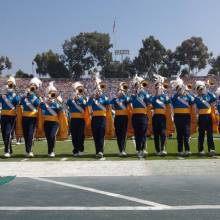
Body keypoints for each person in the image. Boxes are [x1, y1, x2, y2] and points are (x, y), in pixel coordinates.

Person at [171, 78, 194, 157]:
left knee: (186, 133)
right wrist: (177, 93)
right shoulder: (175, 97)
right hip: (178, 117)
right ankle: (180, 150)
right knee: (179, 134)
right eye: (178, 88)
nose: (180, 90)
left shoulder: (187, 96)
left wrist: (186, 92)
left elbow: (193, 100)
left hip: (186, 117)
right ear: (176, 89)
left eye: (181, 88)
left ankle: (187, 150)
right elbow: (172, 100)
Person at [87, 77, 109, 158]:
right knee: (95, 135)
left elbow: (108, 103)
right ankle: (97, 151)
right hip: (94, 118)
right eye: (97, 90)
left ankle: (100, 151)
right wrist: (92, 97)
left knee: (101, 135)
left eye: (99, 90)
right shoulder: (92, 99)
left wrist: (101, 96)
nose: (98, 92)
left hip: (102, 118)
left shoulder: (104, 97)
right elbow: (88, 104)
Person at [130, 75, 151, 158]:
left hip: (143, 116)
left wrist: (142, 92)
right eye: (136, 85)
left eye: (139, 85)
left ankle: (143, 149)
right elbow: (129, 101)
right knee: (137, 133)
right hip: (135, 116)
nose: (138, 86)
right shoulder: (132, 95)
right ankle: (138, 150)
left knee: (143, 133)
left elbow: (149, 101)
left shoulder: (144, 93)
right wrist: (136, 94)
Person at [40, 82, 63, 157]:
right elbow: (41, 107)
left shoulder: (56, 102)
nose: (51, 95)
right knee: (48, 137)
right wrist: (45, 101)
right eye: (50, 93)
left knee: (52, 136)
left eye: (53, 93)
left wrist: (55, 101)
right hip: (46, 122)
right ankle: (49, 151)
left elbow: (60, 109)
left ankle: (52, 150)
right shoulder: (46, 102)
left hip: (55, 122)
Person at [21, 77, 42, 157]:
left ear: (36, 88)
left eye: (34, 86)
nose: (32, 87)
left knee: (30, 134)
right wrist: (25, 95)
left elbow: (38, 104)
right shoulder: (25, 95)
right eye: (31, 86)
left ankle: (29, 150)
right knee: (26, 135)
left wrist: (32, 95)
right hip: (25, 117)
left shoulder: (36, 96)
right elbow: (20, 102)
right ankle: (27, 150)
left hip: (32, 117)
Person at [194, 81, 216, 156]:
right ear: (197, 90)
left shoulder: (208, 96)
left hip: (209, 117)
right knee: (201, 135)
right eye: (199, 89)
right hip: (201, 117)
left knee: (210, 134)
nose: (201, 90)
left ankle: (211, 149)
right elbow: (197, 105)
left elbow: (214, 98)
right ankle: (201, 150)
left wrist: (207, 90)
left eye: (202, 89)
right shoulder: (196, 98)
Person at [0, 76, 20, 157]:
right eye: (9, 84)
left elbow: (18, 102)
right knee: (4, 134)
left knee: (8, 133)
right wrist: (2, 91)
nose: (10, 85)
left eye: (11, 84)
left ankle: (6, 150)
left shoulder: (15, 95)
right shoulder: (3, 95)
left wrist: (14, 92)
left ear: (14, 85)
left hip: (11, 116)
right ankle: (10, 149)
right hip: (3, 115)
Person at [151, 76, 170, 156]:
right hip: (155, 117)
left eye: (160, 86)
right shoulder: (153, 97)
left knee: (162, 133)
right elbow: (152, 106)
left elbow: (168, 105)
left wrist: (162, 91)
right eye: (157, 87)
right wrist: (156, 94)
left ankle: (162, 149)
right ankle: (157, 150)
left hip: (162, 117)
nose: (159, 88)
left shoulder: (165, 96)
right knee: (156, 134)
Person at [66, 82, 87, 156]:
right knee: (74, 135)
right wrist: (72, 98)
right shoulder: (71, 100)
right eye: (76, 90)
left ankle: (81, 150)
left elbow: (86, 106)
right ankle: (75, 150)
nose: (78, 92)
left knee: (81, 135)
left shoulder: (83, 98)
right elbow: (67, 105)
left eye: (79, 90)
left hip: (81, 119)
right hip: (73, 119)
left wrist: (80, 99)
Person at [110, 82, 130, 157]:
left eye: (121, 90)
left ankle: (123, 150)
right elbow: (109, 104)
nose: (120, 91)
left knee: (124, 134)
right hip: (117, 118)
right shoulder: (114, 100)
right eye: (119, 90)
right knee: (118, 135)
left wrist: (124, 94)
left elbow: (129, 100)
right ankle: (120, 150)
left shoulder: (125, 98)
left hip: (124, 117)